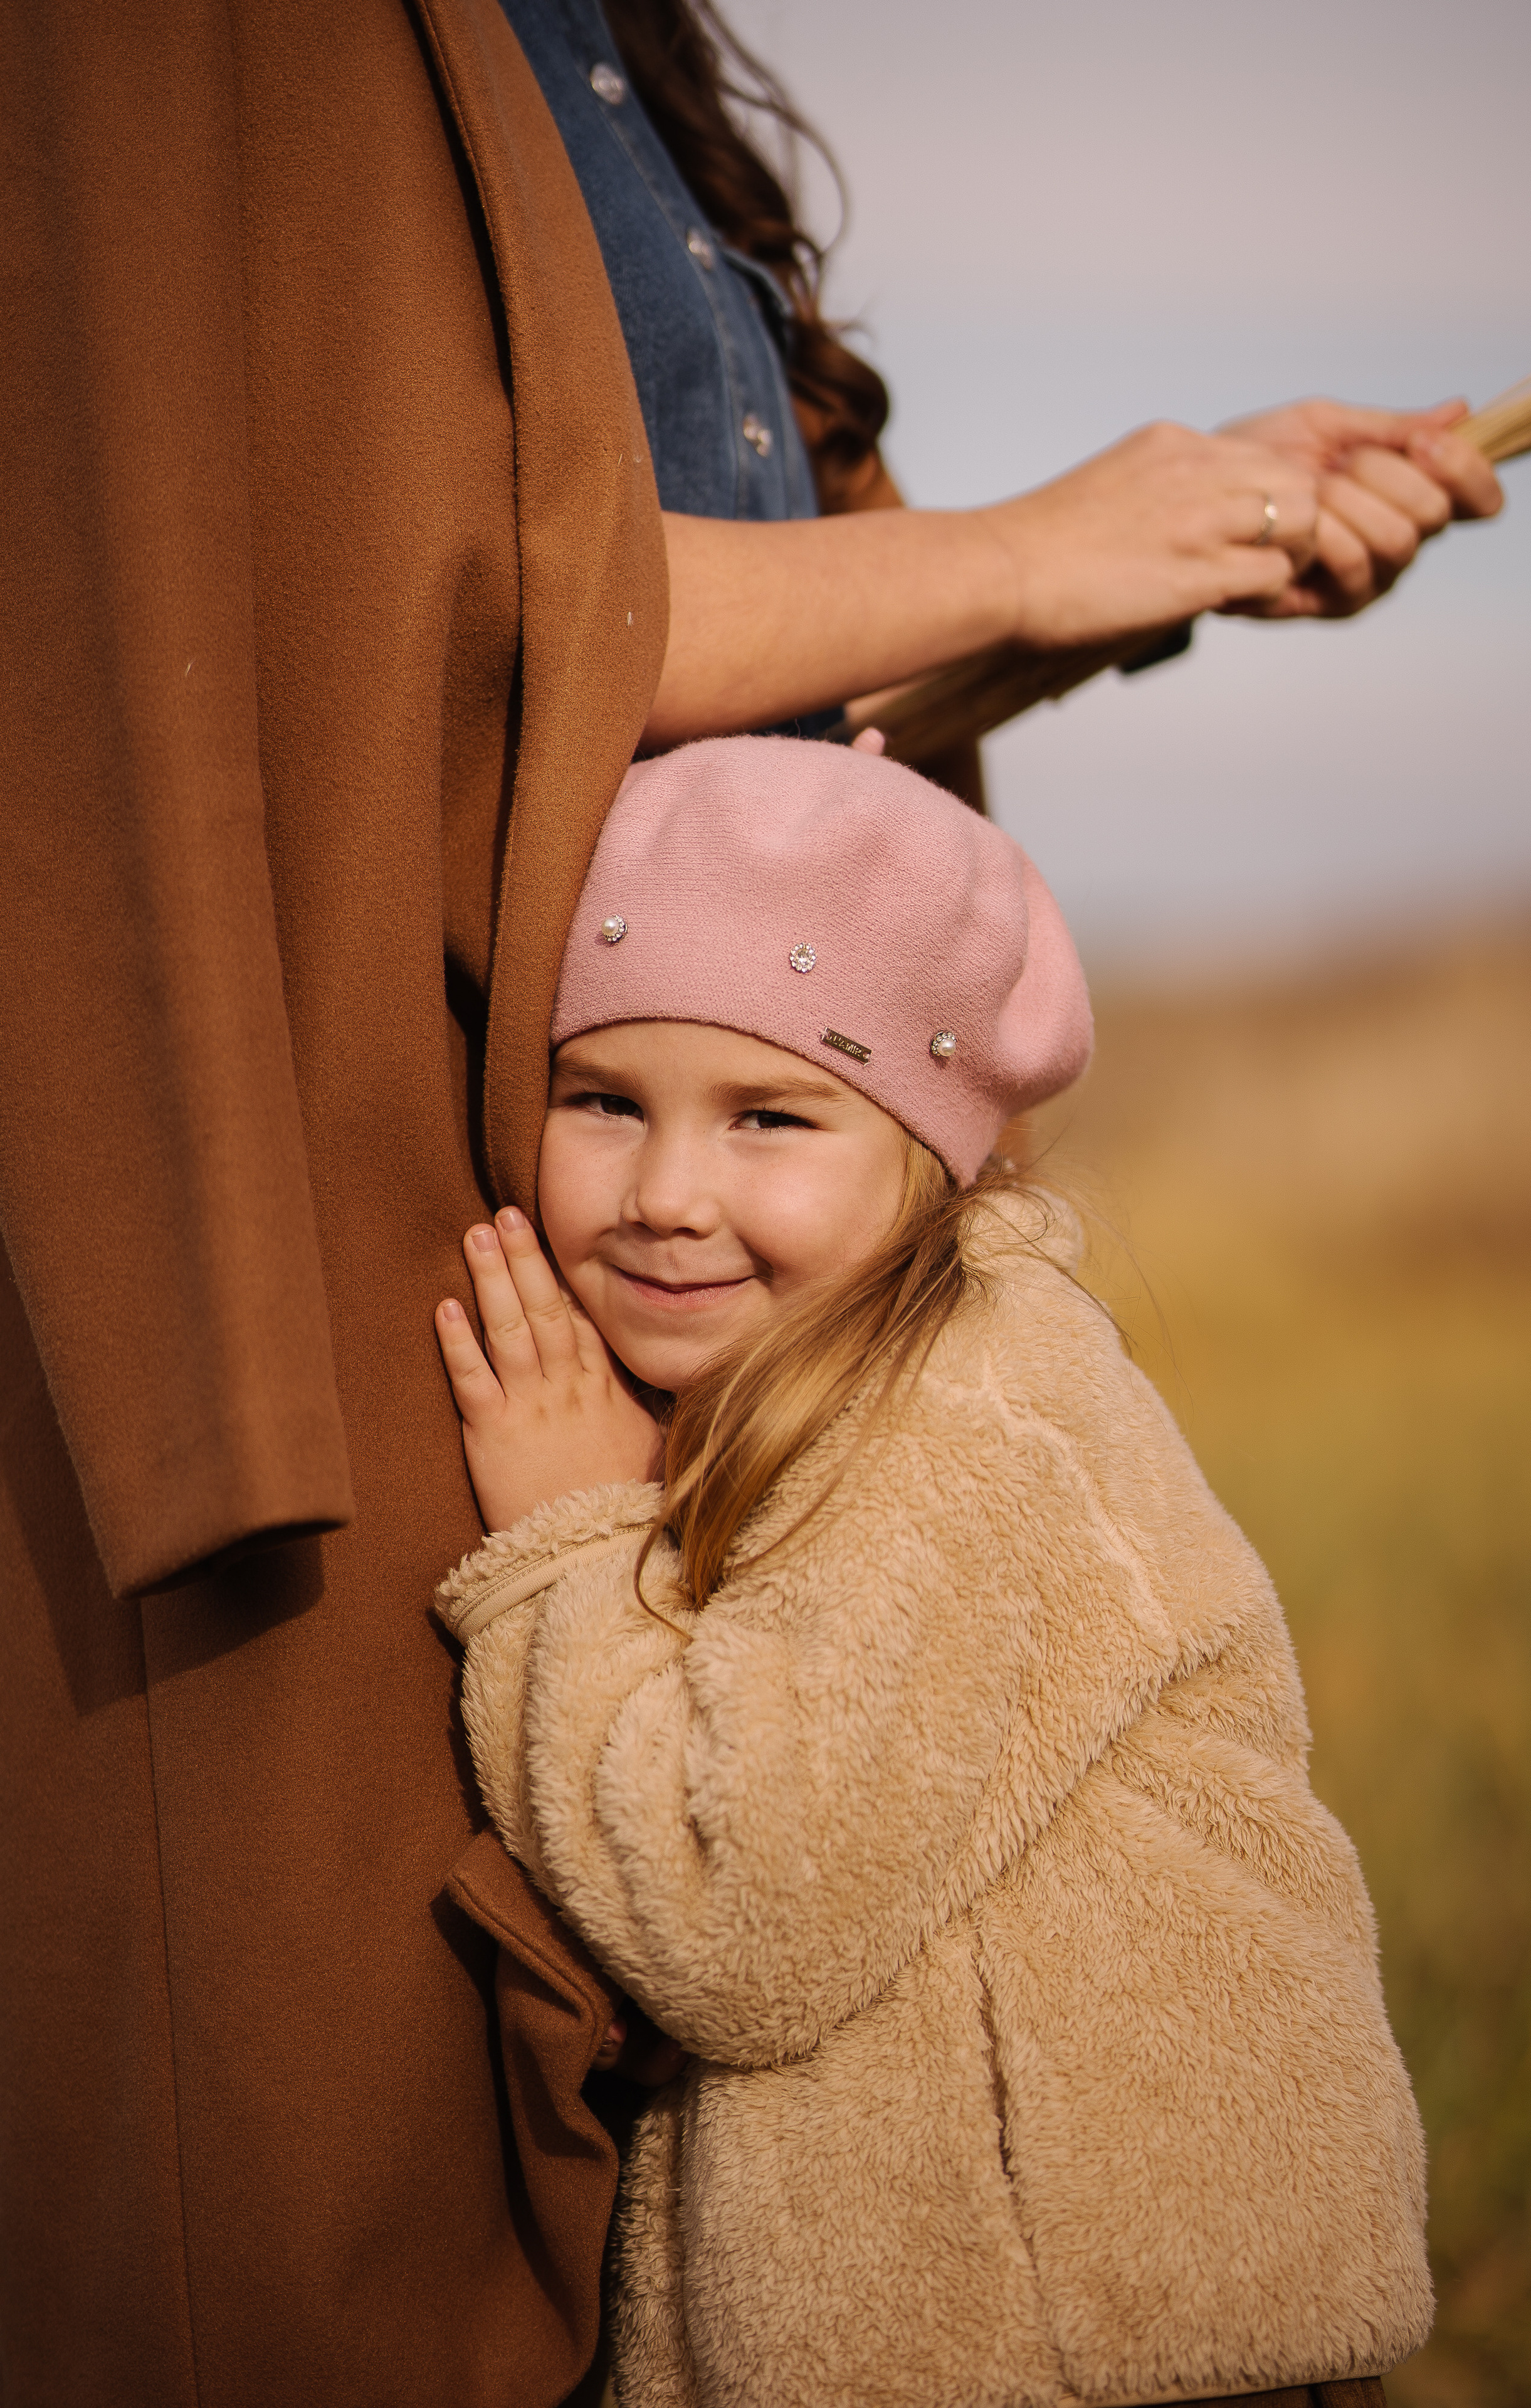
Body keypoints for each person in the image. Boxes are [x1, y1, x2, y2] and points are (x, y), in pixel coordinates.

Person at [428, 732, 1433, 2408]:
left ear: (933, 1148)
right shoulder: (793, 1382)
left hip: (1105, 2349)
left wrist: (565, 1554)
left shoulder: (973, 1416)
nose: (671, 1193)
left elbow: (737, 1925)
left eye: (770, 1114)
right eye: (604, 1101)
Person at [0, 3, 666, 2402]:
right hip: (414, 1210)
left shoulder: (631, 75)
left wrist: (1146, 547)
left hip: (730, 1264)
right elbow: (441, 599)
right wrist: (1069, 531)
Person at [501, 0, 1504, 777]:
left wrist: (1200, 529)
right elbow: (490, 606)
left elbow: (784, 711)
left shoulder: (630, 55)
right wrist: (1031, 551)